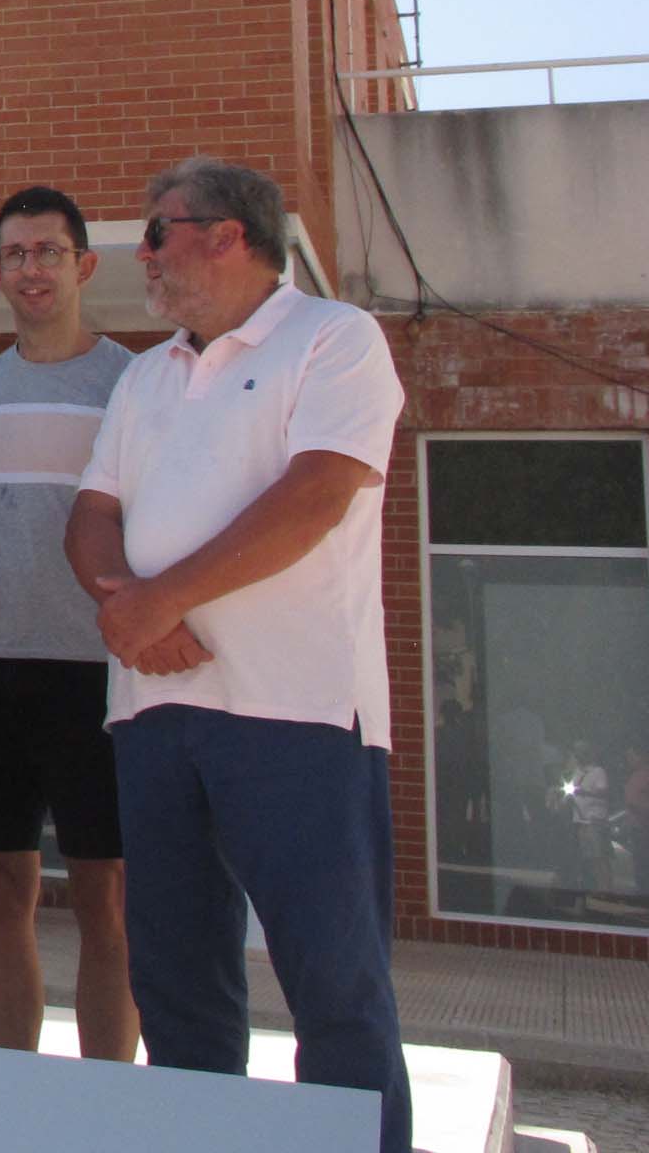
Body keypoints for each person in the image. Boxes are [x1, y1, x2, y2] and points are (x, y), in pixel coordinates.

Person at [66, 158, 412, 1152]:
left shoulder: (334, 338)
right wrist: (123, 606)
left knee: (334, 989)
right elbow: (92, 511)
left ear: (224, 234)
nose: (141, 253)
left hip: (297, 716)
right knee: (175, 989)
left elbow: (315, 494)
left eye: (156, 231)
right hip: (151, 716)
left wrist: (163, 596)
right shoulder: (144, 372)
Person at [0, 187, 136, 1059]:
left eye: (48, 251)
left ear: (84, 265)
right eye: (15, 254)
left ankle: (103, 1104)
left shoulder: (136, 383)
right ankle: (10, 1090)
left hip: (99, 672)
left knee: (107, 897)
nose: (31, 269)